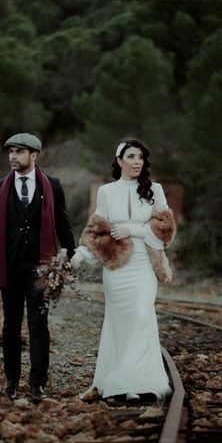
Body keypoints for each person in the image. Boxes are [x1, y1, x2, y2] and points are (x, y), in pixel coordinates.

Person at [71, 138, 176, 402]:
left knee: (141, 316)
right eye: (130, 157)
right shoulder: (107, 192)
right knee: (118, 324)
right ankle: (118, 384)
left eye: (140, 157)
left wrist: (134, 230)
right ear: (119, 161)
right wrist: (80, 255)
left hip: (143, 265)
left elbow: (165, 231)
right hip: (116, 270)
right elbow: (98, 231)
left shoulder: (155, 190)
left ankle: (136, 382)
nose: (136, 162)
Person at [0, 132, 76, 403]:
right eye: (10, 151)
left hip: (41, 269)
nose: (13, 156)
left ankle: (37, 384)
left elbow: (63, 225)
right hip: (7, 268)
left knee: (38, 325)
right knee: (11, 326)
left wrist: (72, 258)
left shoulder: (52, 185)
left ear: (34, 155)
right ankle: (11, 381)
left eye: (19, 151)